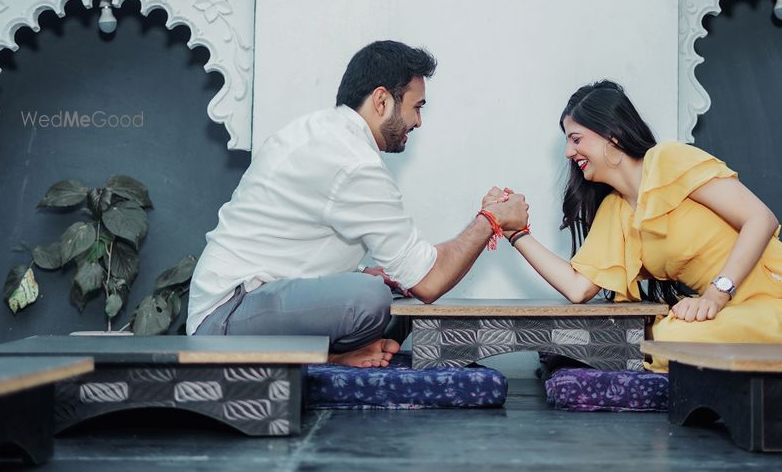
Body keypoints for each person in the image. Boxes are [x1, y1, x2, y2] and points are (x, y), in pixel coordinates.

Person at [187, 40, 528, 367]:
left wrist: (370, 272)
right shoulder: (351, 161)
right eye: (417, 107)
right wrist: (490, 220)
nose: (419, 122)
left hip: (247, 304)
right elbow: (428, 281)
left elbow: (296, 246)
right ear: (382, 101)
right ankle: (332, 358)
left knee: (382, 285)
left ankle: (336, 354)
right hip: (226, 319)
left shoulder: (320, 131)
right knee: (368, 299)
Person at [504, 80, 782, 372]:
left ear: (612, 134)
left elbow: (761, 218)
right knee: (653, 338)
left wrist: (716, 296)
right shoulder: (615, 210)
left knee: (668, 339)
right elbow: (578, 288)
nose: (568, 152)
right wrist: (516, 233)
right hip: (728, 319)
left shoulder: (668, 159)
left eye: (576, 139)